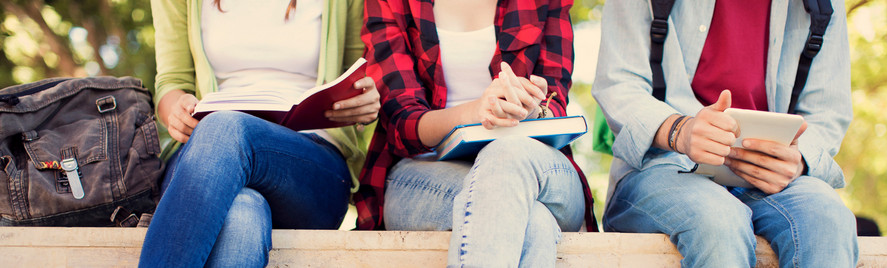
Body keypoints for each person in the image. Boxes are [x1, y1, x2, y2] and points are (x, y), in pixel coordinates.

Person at [593, 0, 858, 267]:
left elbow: (826, 111)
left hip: (770, 178)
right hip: (660, 164)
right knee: (718, 221)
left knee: (828, 219)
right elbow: (619, 84)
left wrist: (797, 161)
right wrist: (680, 131)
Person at [353, 0, 597, 266]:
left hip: (534, 165)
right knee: (533, 221)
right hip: (426, 168)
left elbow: (555, 101)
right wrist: (475, 112)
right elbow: (402, 122)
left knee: (505, 154)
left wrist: (532, 110)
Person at [140, 0, 376, 266]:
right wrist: (176, 110)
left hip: (309, 167)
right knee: (243, 210)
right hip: (208, 155)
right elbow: (172, 82)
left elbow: (358, 74)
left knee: (225, 127)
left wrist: (366, 99)